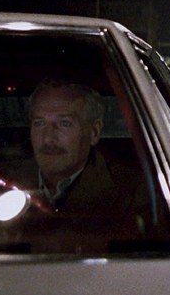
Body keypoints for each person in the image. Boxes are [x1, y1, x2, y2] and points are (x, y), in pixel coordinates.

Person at [28, 77, 143, 212]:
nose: (48, 138)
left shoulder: (133, 193)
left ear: (94, 132)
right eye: (39, 123)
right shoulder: (8, 181)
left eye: (65, 123)